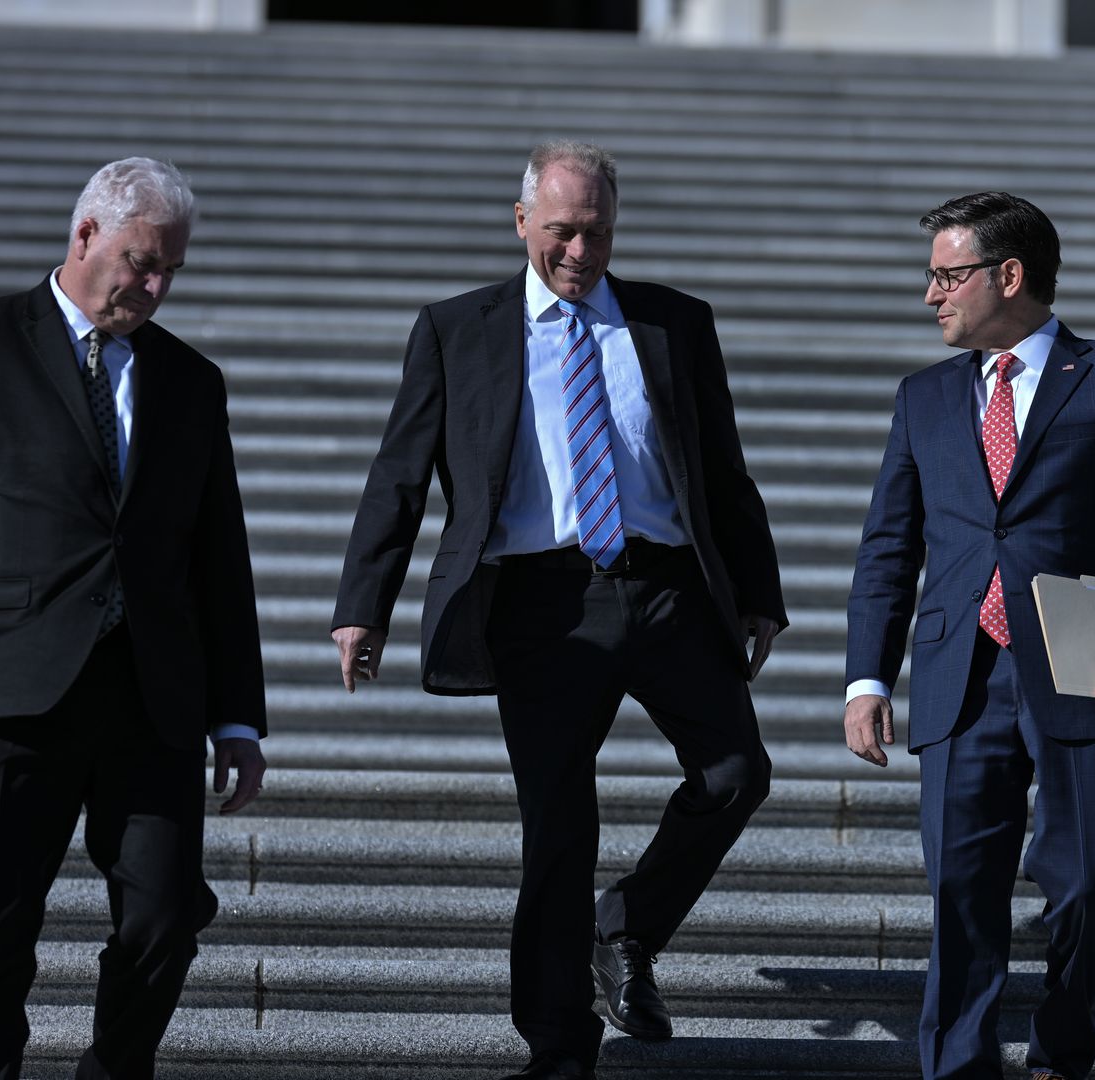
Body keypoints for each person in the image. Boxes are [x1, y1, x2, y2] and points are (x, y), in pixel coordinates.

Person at [331, 140, 784, 1080]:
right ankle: (558, 1048)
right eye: (564, 231)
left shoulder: (673, 323)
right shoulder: (460, 329)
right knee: (558, 828)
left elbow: (721, 468)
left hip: (664, 588)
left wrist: (758, 593)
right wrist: (362, 604)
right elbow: (399, 474)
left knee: (737, 772)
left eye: (599, 232)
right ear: (522, 221)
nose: (582, 251)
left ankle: (626, 926)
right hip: (541, 605)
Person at [0, 157, 268, 1079]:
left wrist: (239, 713)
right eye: (141, 261)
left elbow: (221, 555)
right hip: (8, 692)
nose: (152, 285)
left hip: (151, 700)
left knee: (168, 914)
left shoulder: (191, 380)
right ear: (86, 234)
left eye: (170, 270)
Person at [843, 192, 1095, 1080]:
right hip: (960, 673)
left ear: (1009, 276)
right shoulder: (923, 397)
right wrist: (866, 679)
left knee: (1086, 881)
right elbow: (890, 544)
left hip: (1089, 670)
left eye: (947, 275)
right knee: (959, 890)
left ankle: (1061, 1045)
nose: (931, 295)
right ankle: (957, 1066)